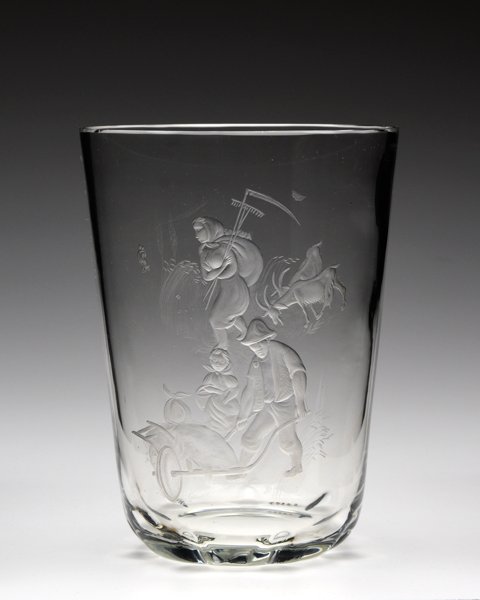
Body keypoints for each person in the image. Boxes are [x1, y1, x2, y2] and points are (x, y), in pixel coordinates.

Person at [237, 319, 307, 476]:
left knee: (287, 442)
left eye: (259, 343)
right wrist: (242, 415)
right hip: (269, 406)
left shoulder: (281, 351)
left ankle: (297, 466)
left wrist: (300, 402)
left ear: (267, 339)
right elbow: (249, 390)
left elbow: (298, 373)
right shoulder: (256, 361)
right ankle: (241, 469)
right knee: (249, 438)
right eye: (253, 345)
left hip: (286, 405)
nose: (257, 348)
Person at [193, 217, 263, 348]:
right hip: (226, 289)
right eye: (195, 231)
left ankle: (223, 345)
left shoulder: (224, 248)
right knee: (227, 314)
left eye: (199, 230)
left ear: (209, 229)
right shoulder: (203, 252)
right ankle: (244, 331)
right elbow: (206, 277)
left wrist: (216, 273)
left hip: (235, 289)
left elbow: (232, 270)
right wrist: (221, 268)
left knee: (215, 319)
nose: (196, 235)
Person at [196, 348, 239, 437]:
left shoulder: (230, 379)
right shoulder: (210, 377)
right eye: (214, 361)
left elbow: (235, 391)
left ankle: (226, 434)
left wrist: (225, 398)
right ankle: (213, 436)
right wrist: (216, 391)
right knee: (212, 423)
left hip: (227, 404)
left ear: (227, 362)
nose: (217, 364)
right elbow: (203, 389)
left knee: (226, 423)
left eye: (221, 362)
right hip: (213, 405)